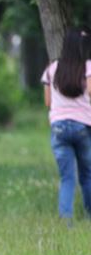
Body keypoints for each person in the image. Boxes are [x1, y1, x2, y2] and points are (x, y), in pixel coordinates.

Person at [40, 27, 91, 225]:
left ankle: (65, 222)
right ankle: (89, 217)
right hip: (82, 127)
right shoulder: (87, 67)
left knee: (67, 178)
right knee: (87, 175)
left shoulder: (52, 69)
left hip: (59, 128)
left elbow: (47, 102)